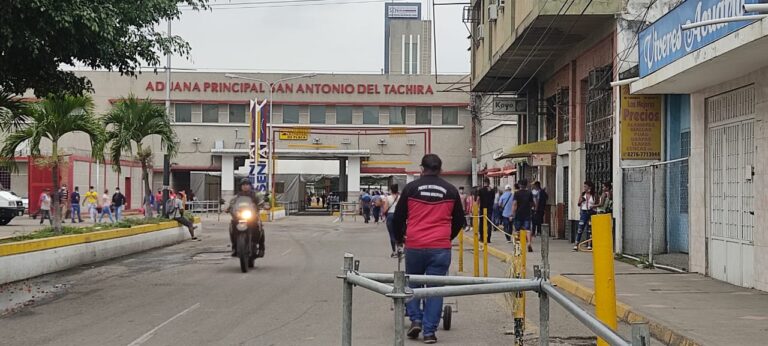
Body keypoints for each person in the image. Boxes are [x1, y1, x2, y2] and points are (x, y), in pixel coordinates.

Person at [393, 154, 465, 344]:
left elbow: (398, 218)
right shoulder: (451, 190)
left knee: (413, 283)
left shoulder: (410, 189)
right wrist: (446, 237)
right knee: (435, 289)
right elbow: (459, 221)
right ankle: (429, 332)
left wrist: (400, 238)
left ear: (422, 168)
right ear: (440, 169)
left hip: (415, 245)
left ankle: (416, 319)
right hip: (440, 247)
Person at [228, 178, 268, 256]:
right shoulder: (237, 196)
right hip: (240, 216)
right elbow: (232, 205)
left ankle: (261, 248)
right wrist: (228, 208)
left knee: (260, 227)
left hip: (252, 216)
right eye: (243, 185)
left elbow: (261, 202)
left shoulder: (255, 194)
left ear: (250, 186)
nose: (245, 186)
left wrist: (264, 205)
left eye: (247, 184)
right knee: (232, 226)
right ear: (241, 186)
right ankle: (234, 247)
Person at [512, 179, 535, 252]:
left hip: (518, 213)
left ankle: (518, 247)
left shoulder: (516, 193)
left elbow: (515, 204)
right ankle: (529, 243)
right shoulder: (529, 193)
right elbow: (532, 203)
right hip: (527, 213)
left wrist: (513, 213)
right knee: (528, 230)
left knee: (517, 230)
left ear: (519, 185)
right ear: (526, 185)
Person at [574, 181, 596, 251]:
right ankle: (576, 244)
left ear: (590, 187)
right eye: (584, 186)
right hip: (584, 212)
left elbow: (597, 203)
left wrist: (594, 206)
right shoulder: (583, 194)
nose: (584, 188)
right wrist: (581, 201)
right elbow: (578, 204)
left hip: (592, 212)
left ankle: (589, 244)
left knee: (590, 229)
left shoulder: (594, 195)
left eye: (586, 186)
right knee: (580, 228)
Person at [382, 184, 401, 257]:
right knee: (399, 233)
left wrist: (384, 214)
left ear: (391, 190)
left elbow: (385, 209)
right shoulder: (400, 198)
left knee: (392, 234)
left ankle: (394, 251)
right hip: (398, 216)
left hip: (390, 216)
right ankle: (399, 248)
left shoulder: (387, 198)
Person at [477, 178, 496, 243]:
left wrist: (477, 207)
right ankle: (488, 238)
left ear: (484, 182)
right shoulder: (492, 190)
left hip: (482, 209)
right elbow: (493, 199)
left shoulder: (481, 190)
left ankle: (482, 237)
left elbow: (478, 199)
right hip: (490, 209)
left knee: (482, 224)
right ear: (489, 182)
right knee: (489, 224)